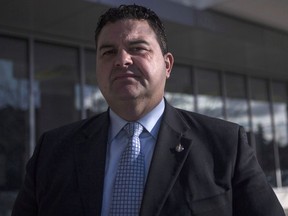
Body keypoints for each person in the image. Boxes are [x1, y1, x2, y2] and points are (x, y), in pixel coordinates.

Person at [12, 4, 285, 216]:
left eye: (137, 48)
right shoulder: (53, 151)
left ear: (167, 65)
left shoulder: (225, 145)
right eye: (108, 52)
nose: (121, 60)